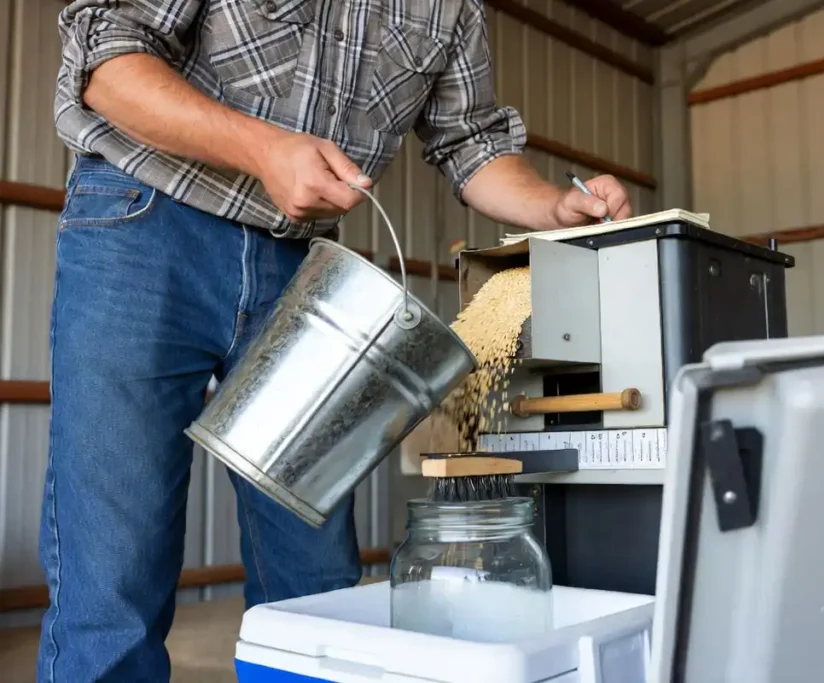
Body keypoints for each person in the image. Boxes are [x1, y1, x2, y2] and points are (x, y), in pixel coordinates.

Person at [40, 1, 634, 680]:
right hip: (144, 224)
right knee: (114, 572)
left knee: (314, 578)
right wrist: (262, 148)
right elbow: (106, 64)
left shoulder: (453, 9)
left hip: (299, 266)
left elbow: (470, 142)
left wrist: (551, 207)